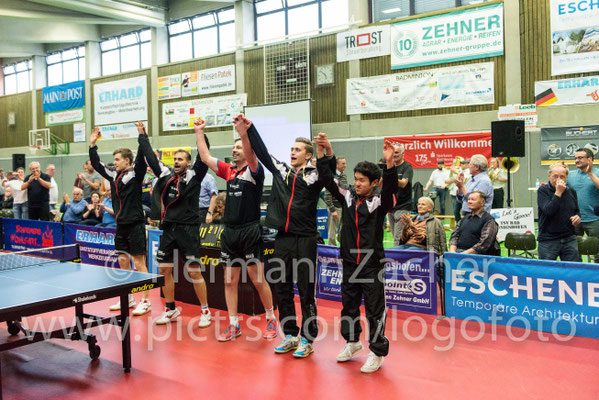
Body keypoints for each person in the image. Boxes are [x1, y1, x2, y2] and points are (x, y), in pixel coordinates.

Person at [245, 117, 335, 358]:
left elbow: (328, 173)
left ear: (308, 155)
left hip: (306, 239)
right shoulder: (282, 171)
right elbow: (263, 153)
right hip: (282, 239)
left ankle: (307, 338)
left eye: (297, 150)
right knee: (282, 288)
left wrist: (326, 151)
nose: (292, 152)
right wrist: (250, 129)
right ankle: (291, 335)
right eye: (291, 149)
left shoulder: (314, 175)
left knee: (306, 291)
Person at [196, 115, 277, 341]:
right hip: (229, 232)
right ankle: (233, 325)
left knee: (257, 279)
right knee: (229, 280)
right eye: (233, 147)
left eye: (239, 147)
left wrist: (244, 133)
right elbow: (205, 157)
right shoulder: (229, 171)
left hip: (249, 230)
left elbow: (251, 154)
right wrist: (199, 132)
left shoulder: (254, 170)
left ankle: (271, 319)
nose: (234, 150)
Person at [321, 137, 396, 373]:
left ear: (374, 182)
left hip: (371, 264)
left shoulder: (379, 201)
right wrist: (328, 153)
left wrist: (390, 165)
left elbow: (391, 190)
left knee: (374, 310)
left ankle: (377, 351)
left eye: (362, 180)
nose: (357, 183)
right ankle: (352, 342)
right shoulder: (348, 196)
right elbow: (327, 179)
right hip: (349, 261)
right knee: (349, 307)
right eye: (355, 179)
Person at [146, 119, 212, 327]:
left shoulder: (195, 176)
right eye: (174, 159)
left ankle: (205, 311)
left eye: (180, 159)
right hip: (169, 229)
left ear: (188, 162)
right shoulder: (166, 176)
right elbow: (151, 159)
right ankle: (170, 309)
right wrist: (143, 136)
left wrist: (199, 132)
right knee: (165, 271)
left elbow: (204, 155)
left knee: (194, 271)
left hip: (188, 230)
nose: (176, 162)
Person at [89, 124, 154, 316]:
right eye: (114, 160)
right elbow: (97, 164)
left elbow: (142, 155)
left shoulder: (136, 173)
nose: (114, 162)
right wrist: (92, 145)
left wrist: (142, 136)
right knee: (123, 261)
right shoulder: (113, 174)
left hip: (135, 224)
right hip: (121, 226)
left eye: (117, 159)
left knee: (139, 263)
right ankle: (128, 297)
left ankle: (145, 300)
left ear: (127, 160)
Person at [537, 163, 581, 261]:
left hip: (569, 238)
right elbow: (548, 211)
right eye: (555, 176)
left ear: (566, 178)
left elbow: (576, 211)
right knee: (547, 269)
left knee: (572, 268)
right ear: (549, 176)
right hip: (549, 239)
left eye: (562, 177)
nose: (558, 179)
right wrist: (558, 192)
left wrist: (577, 217)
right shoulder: (543, 191)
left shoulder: (571, 191)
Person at [567, 148, 599, 262]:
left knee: (597, 253)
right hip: (575, 220)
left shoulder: (597, 173)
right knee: (574, 253)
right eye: (575, 158)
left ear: (590, 159)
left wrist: (590, 173)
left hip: (594, 220)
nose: (577, 160)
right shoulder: (570, 175)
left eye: (580, 158)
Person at [388, 144, 413, 246]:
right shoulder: (389, 167)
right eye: (392, 152)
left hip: (403, 206)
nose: (394, 155)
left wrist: (390, 177)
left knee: (398, 239)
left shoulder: (407, 167)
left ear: (403, 154)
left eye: (397, 152)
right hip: (390, 207)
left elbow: (403, 184)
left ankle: (397, 256)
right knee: (396, 237)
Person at [324, 157, 347, 246]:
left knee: (345, 228)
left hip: (344, 207)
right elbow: (327, 196)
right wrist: (332, 210)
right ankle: (331, 249)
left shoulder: (344, 176)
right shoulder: (331, 176)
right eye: (343, 164)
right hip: (335, 207)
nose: (345, 165)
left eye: (345, 163)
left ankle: (342, 241)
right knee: (332, 231)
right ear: (337, 165)